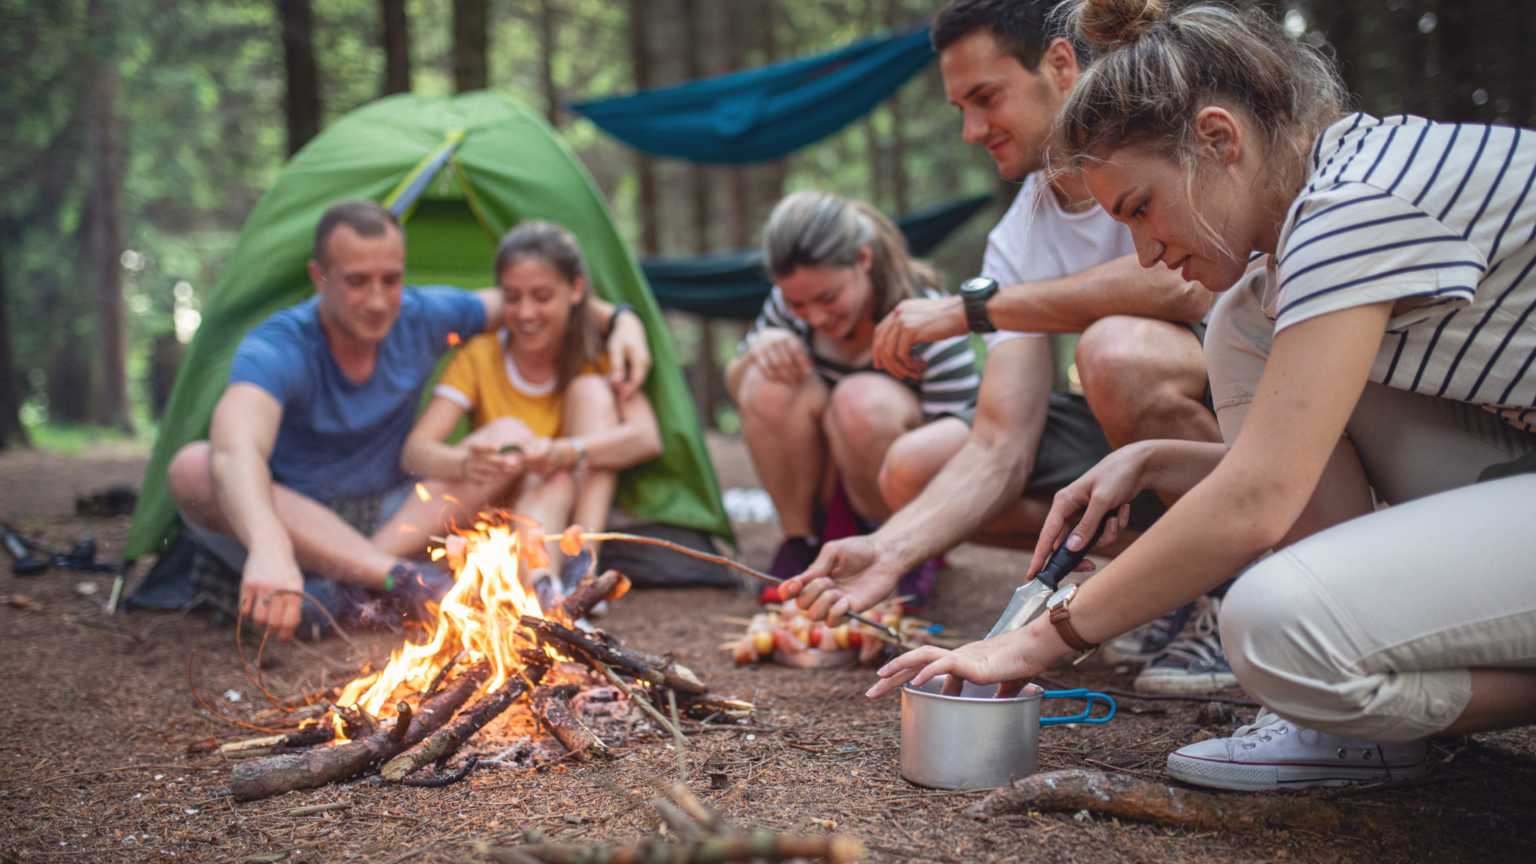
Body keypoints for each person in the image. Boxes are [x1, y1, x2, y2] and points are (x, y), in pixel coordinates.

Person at [871, 0, 1536, 791]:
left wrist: (1037, 641)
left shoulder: (1351, 208)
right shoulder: (1306, 232)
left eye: (1142, 209)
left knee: (1273, 627)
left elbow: (1258, 497)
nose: (1147, 250)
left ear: (1219, 140)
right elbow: (1283, 460)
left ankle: (1354, 707)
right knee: (1243, 322)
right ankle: (1357, 730)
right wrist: (1153, 457)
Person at [782, 0, 1228, 692]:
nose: (970, 130)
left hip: (1247, 421)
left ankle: (1231, 594)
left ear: (1059, 64)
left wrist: (975, 310)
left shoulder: (1165, 138)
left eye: (985, 98)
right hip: (1134, 449)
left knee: (1114, 355)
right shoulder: (1019, 236)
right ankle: (1159, 582)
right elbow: (1000, 443)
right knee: (916, 467)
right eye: (960, 107)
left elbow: (1183, 289)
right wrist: (889, 548)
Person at [165, 200, 653, 642]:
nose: (378, 301)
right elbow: (235, 447)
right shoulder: (281, 345)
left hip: (391, 512)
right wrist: (268, 544)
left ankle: (345, 589)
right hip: (293, 516)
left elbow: (534, 300)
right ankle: (401, 581)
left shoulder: (420, 315)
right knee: (193, 466)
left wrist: (622, 320)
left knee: (510, 438)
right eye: (357, 281)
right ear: (320, 277)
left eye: (390, 280)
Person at [725, 190, 980, 600]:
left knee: (858, 399)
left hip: (902, 499)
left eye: (829, 298)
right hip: (825, 485)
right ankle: (799, 545)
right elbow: (744, 393)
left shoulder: (925, 312)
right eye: (797, 304)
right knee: (766, 379)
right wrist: (755, 350)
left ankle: (899, 550)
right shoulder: (788, 304)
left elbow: (964, 437)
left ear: (863, 258)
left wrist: (926, 529)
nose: (815, 317)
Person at [401, 221, 662, 606]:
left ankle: (579, 571)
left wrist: (566, 451)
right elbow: (416, 451)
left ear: (575, 290)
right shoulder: (481, 354)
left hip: (570, 509)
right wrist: (462, 461)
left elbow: (646, 438)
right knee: (522, 445)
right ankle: (548, 589)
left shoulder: (599, 354)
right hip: (499, 517)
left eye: (541, 296)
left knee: (587, 402)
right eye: (512, 297)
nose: (525, 313)